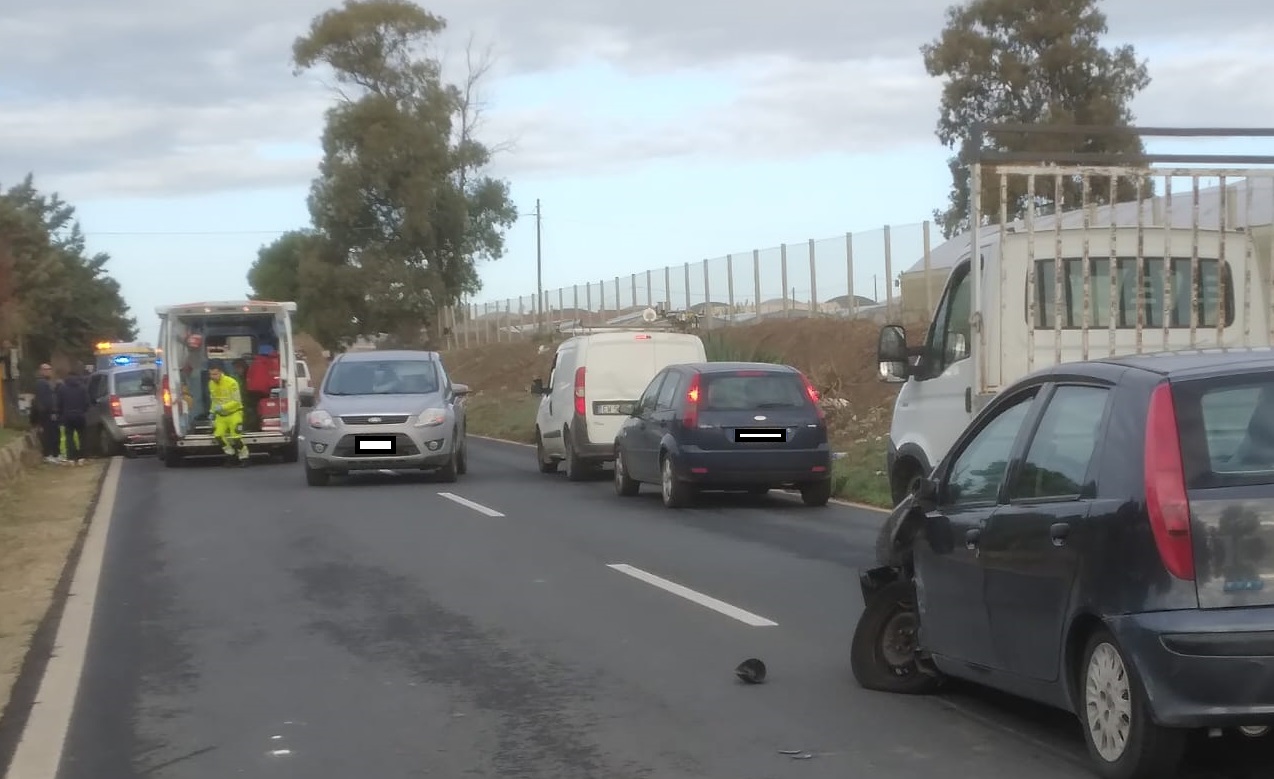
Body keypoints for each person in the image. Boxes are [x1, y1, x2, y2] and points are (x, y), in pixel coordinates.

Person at [208, 361, 249, 466]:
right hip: (221, 416)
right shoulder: (211, 384)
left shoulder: (232, 383)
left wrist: (222, 407)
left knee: (236, 438)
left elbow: (237, 401)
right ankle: (231, 454)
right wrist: (212, 411)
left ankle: (244, 457)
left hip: (234, 413)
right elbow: (214, 400)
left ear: (221, 372)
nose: (213, 377)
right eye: (211, 374)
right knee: (218, 436)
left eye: (215, 374)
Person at [55, 368, 91, 465]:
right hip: (80, 415)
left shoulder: (62, 388)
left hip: (67, 416)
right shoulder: (82, 388)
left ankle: (71, 457)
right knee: (82, 436)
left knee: (69, 437)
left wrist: (60, 415)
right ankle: (83, 457)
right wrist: (83, 411)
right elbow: (87, 403)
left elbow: (59, 404)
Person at [30, 363, 60, 463]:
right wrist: (41, 414)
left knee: (54, 434)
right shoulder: (41, 383)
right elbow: (40, 401)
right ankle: (48, 454)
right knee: (47, 435)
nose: (48, 371)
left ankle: (55, 454)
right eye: (45, 369)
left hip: (51, 413)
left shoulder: (49, 383)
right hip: (45, 414)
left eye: (49, 369)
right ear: (41, 371)